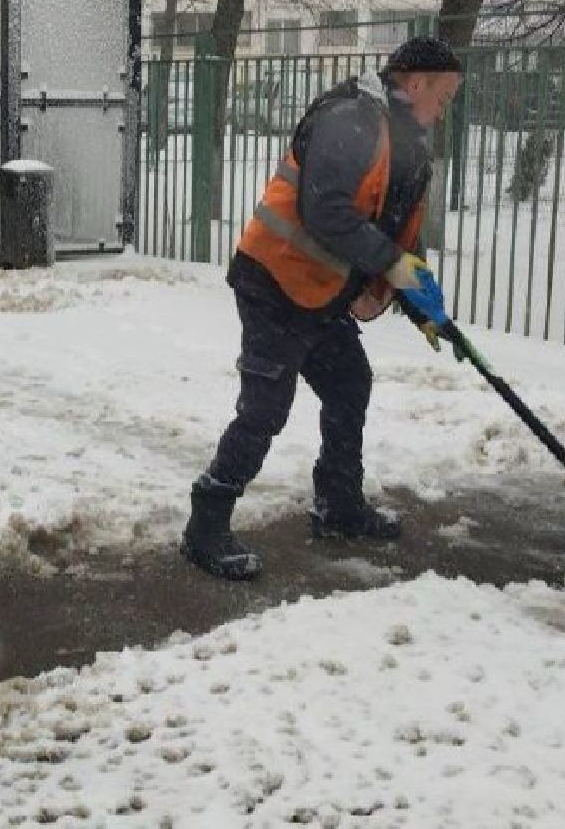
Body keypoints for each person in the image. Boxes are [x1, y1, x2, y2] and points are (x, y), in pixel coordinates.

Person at [181, 35, 465, 581]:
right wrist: (394, 264)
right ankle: (205, 522)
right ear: (416, 82)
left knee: (348, 383)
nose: (444, 109)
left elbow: (396, 235)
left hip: (320, 294)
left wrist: (419, 299)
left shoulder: (409, 147)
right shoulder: (353, 121)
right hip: (274, 284)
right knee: (265, 409)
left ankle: (338, 504)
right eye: (444, 95)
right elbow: (326, 210)